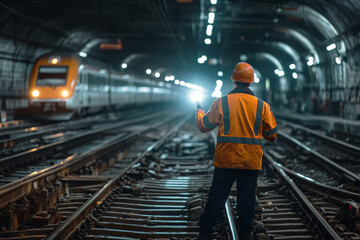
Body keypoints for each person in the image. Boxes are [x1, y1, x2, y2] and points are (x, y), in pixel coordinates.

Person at [195, 62, 278, 240]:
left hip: (226, 159)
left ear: (233, 82)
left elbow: (204, 126)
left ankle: (206, 231)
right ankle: (246, 233)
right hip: (250, 161)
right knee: (246, 198)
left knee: (217, 195)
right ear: (251, 83)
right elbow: (272, 135)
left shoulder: (221, 102)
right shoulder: (262, 106)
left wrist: (199, 111)